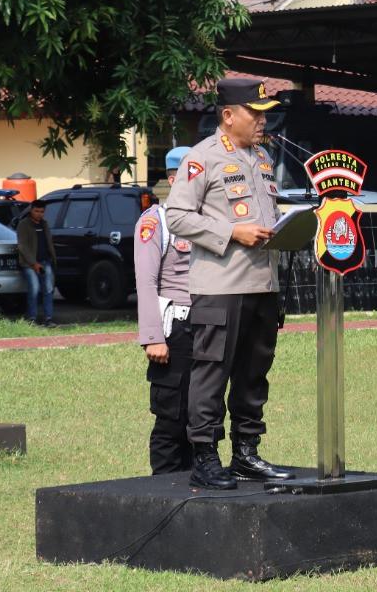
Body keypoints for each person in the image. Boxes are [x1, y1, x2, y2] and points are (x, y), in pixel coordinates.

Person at [165, 78, 293, 490]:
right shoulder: (202, 159)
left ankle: (246, 453)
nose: (262, 120)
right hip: (221, 286)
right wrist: (232, 232)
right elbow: (177, 216)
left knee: (254, 373)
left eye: (265, 113)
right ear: (228, 115)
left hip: (262, 284)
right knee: (211, 373)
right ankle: (204, 456)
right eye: (254, 113)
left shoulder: (262, 158)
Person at [135, 146, 195, 474]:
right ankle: (164, 493)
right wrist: (153, 337)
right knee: (171, 419)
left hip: (208, 327)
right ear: (173, 179)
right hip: (175, 330)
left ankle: (199, 486)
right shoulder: (155, 221)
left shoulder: (206, 220)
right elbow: (145, 283)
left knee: (202, 418)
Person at [16, 200, 57, 327]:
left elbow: (49, 243)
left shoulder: (44, 224)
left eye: (42, 212)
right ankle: (32, 318)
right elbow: (22, 246)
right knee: (34, 289)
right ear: (31, 210)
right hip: (29, 264)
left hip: (46, 262)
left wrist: (52, 259)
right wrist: (34, 264)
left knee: (49, 290)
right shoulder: (23, 224)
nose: (39, 214)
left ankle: (48, 318)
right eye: (36, 211)